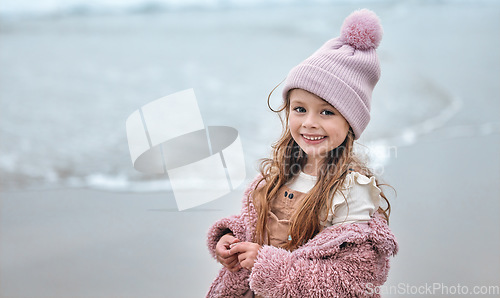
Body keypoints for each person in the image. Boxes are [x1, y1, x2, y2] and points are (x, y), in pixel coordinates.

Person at [206, 9, 398, 297]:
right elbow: (258, 226)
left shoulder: (350, 191)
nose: (309, 122)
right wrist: (231, 239)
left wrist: (267, 264)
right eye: (300, 109)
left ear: (350, 122)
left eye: (326, 111)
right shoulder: (279, 174)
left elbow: (348, 280)